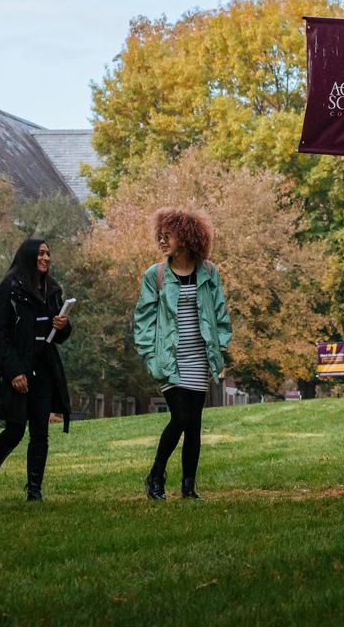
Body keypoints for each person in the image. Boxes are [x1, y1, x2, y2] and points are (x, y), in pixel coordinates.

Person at [133, 206, 232, 500]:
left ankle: (188, 487)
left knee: (194, 424)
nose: (162, 241)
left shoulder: (209, 272)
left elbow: (220, 314)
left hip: (200, 359)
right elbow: (143, 320)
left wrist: (220, 346)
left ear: (187, 237)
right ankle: (155, 476)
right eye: (160, 236)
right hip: (170, 359)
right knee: (180, 417)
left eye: (169, 235)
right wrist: (151, 357)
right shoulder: (157, 275)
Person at [0, 238, 73, 502]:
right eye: (41, 253)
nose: (46, 258)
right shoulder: (8, 289)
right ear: (29, 256)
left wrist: (63, 325)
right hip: (17, 370)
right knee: (15, 430)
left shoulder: (52, 290)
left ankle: (34, 490)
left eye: (48, 253)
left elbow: (59, 336)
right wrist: (14, 372)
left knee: (40, 431)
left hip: (43, 369)